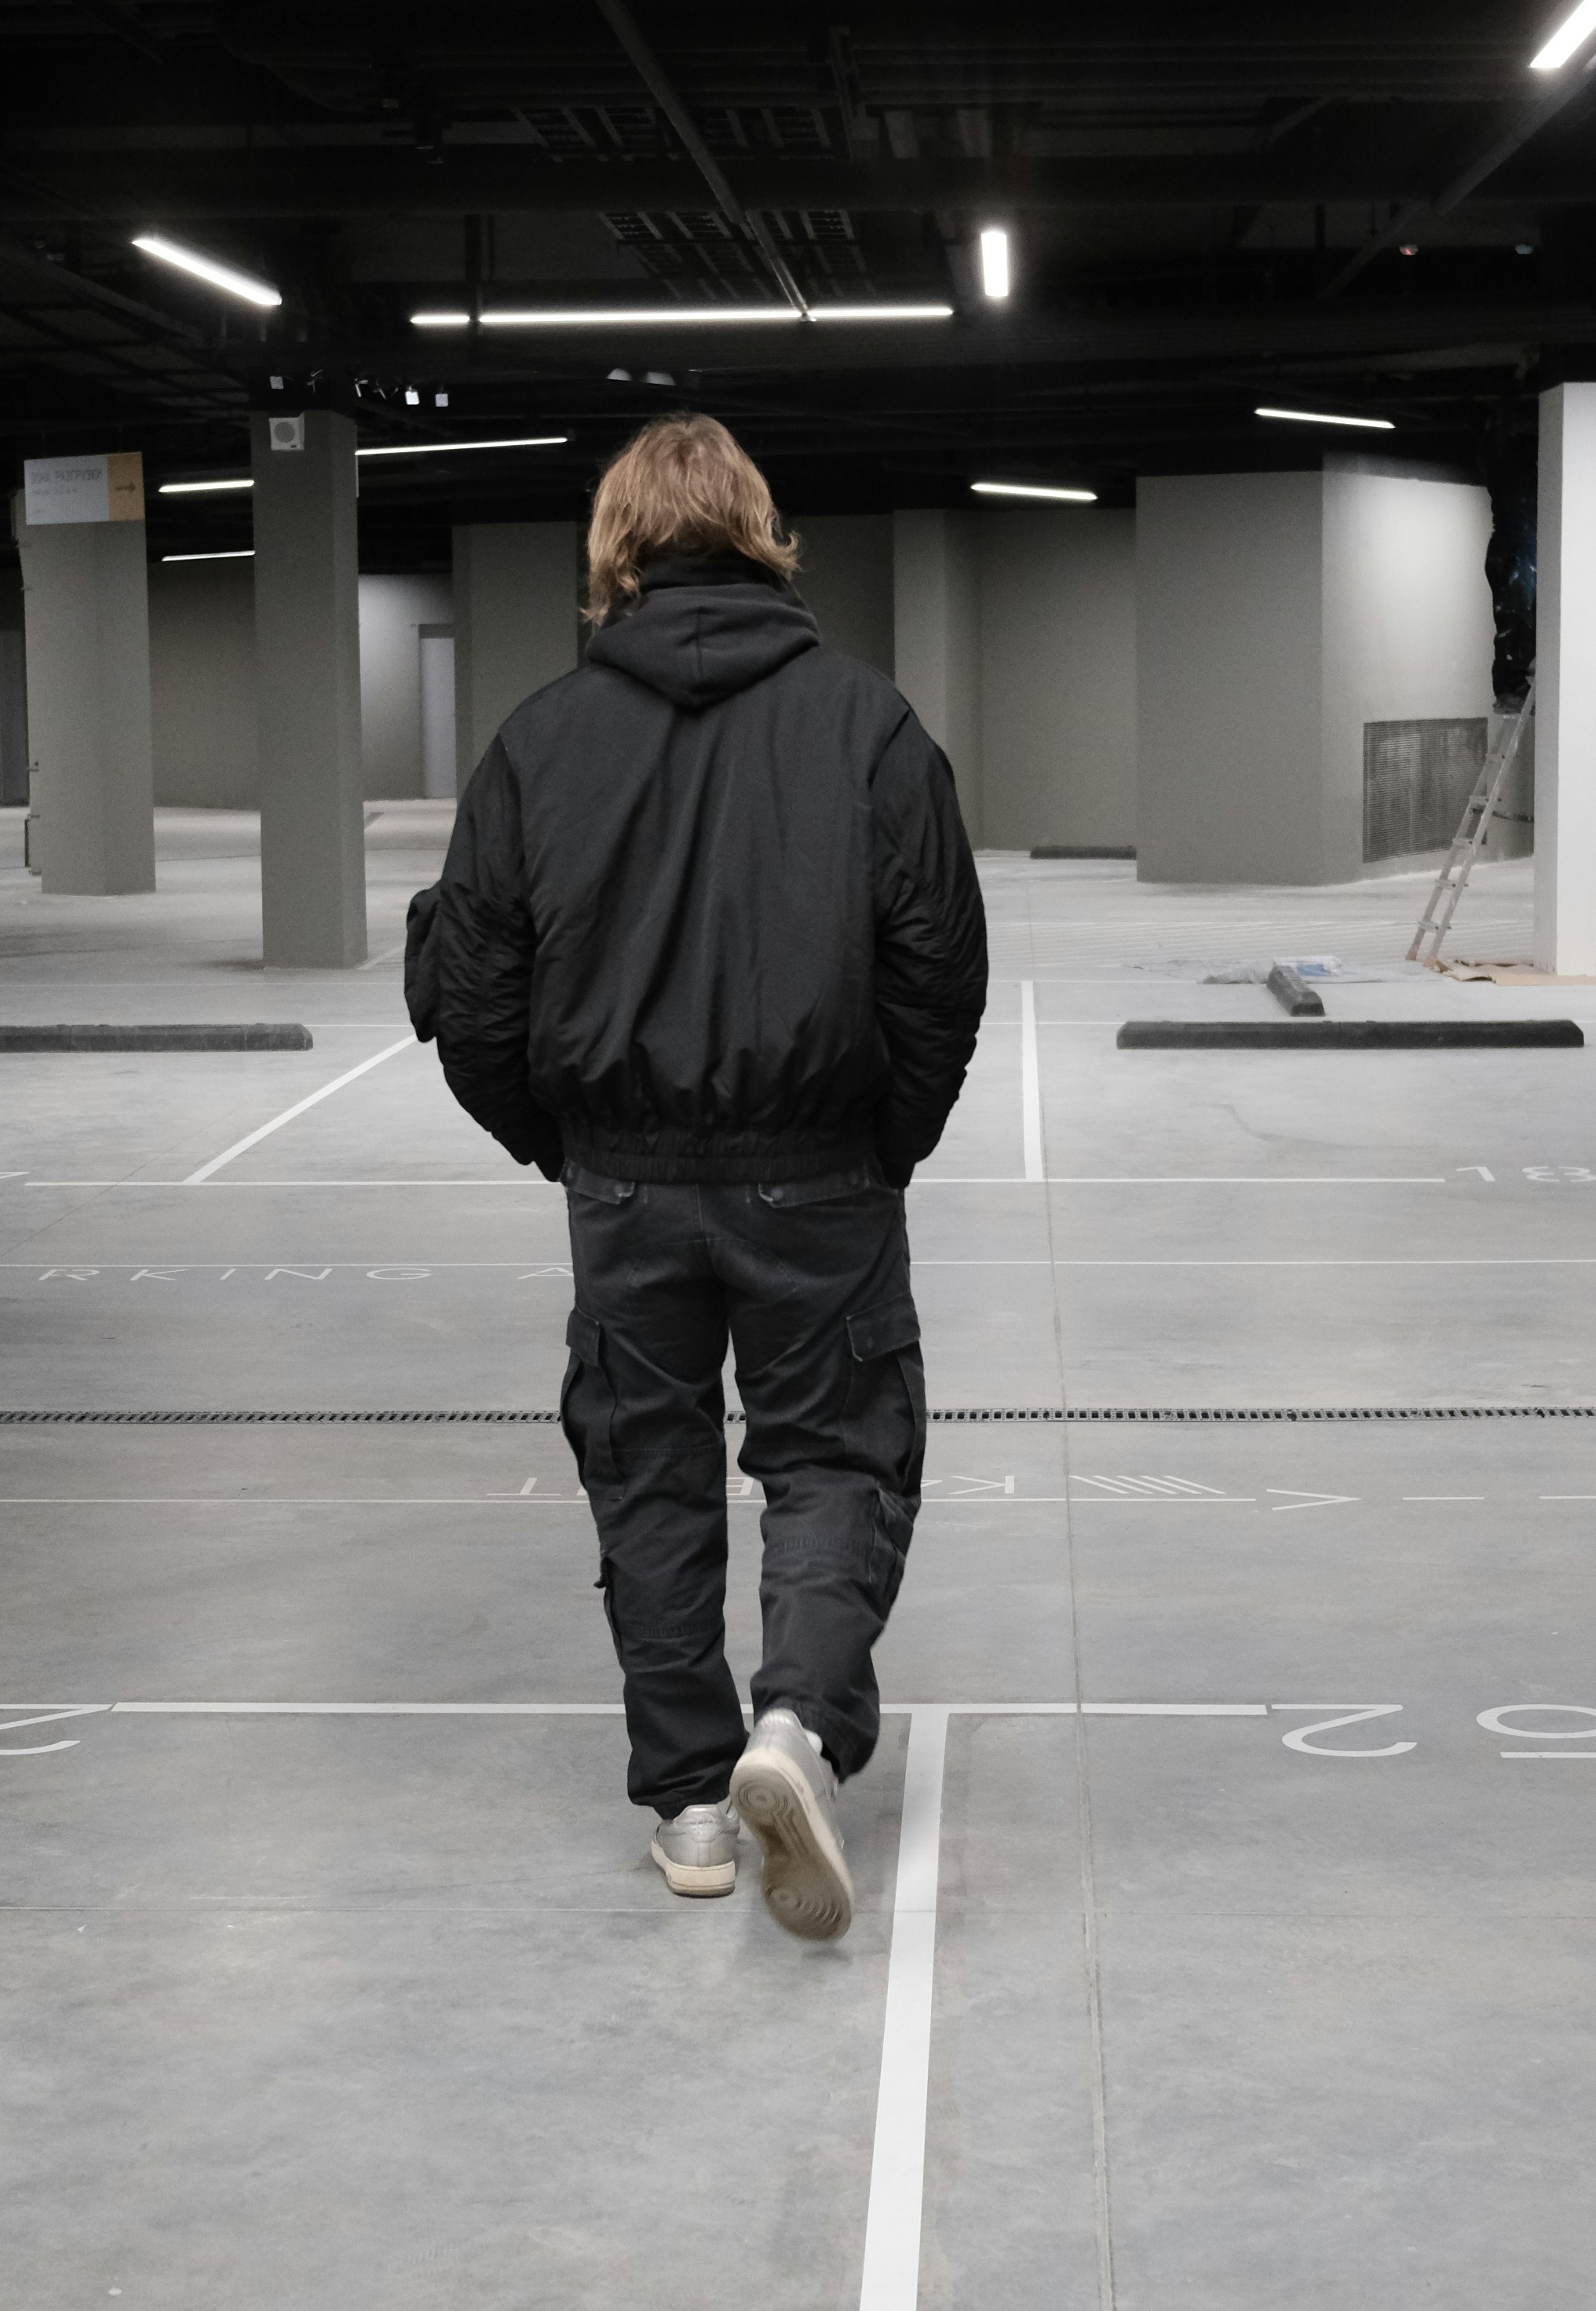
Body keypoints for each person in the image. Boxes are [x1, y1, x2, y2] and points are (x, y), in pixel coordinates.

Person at [413, 414, 987, 1940]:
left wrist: (563, 1141)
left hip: (624, 1183)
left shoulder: (537, 742)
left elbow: (468, 986)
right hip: (819, 1173)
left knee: (647, 1474)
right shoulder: (869, 727)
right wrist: (888, 1140)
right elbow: (944, 961)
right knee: (837, 1453)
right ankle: (792, 1724)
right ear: (761, 535)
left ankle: (686, 1801)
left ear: (616, 553)